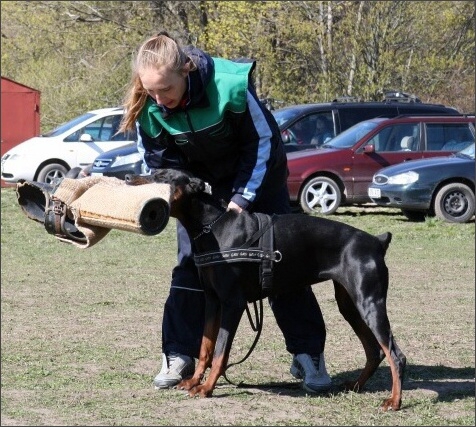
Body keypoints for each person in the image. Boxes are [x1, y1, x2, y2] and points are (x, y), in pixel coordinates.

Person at [119, 31, 332, 394]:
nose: (159, 99)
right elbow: (160, 165)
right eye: (150, 90)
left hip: (257, 180)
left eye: (165, 89)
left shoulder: (230, 85)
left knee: (282, 262)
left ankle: (308, 355)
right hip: (201, 190)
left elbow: (262, 142)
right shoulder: (149, 105)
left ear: (185, 70)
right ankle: (179, 355)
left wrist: (242, 197)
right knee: (190, 265)